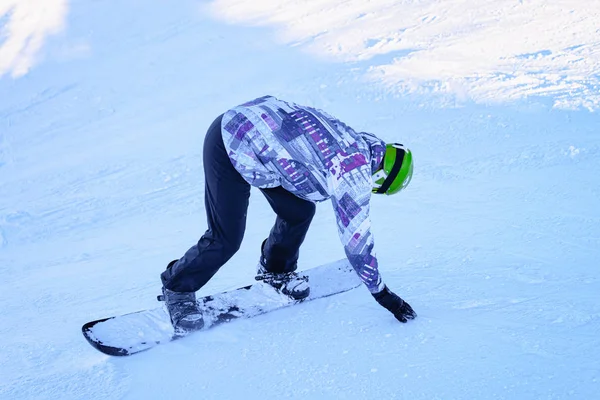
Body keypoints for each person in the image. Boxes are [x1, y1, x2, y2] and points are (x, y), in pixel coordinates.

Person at [158, 95, 416, 331]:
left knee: (299, 210)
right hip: (229, 142)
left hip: (259, 140)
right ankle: (177, 288)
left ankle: (276, 270)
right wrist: (382, 293)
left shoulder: (355, 140)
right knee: (226, 237)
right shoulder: (352, 172)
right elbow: (357, 241)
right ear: (381, 177)